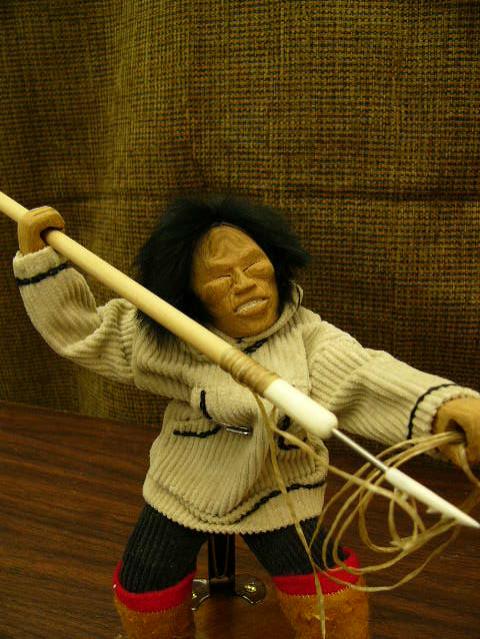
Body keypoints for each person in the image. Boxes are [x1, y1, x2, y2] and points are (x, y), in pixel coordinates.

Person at [13, 195, 480, 639]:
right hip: (185, 483)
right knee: (146, 582)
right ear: (190, 293)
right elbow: (86, 332)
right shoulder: (165, 335)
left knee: (323, 585)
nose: (246, 284)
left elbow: (363, 374)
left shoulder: (308, 339)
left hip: (277, 484)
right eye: (221, 277)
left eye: (255, 266)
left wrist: (445, 409)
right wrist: (40, 260)